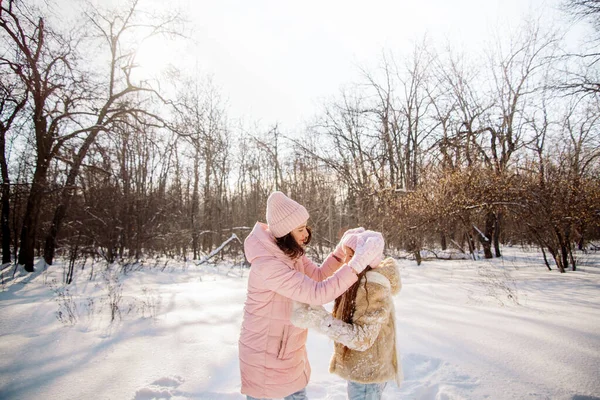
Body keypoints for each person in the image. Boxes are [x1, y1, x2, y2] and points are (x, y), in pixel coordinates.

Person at [239, 191, 383, 400]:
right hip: (266, 359)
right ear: (285, 233)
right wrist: (356, 264)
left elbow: (317, 276)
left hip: (288, 352)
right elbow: (318, 293)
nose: (306, 233)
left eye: (305, 226)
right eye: (299, 229)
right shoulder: (269, 265)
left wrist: (340, 253)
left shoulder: (290, 253)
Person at [291, 231, 403, 400]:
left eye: (351, 255)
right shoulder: (359, 280)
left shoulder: (372, 286)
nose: (346, 261)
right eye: (346, 255)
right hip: (363, 369)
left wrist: (320, 319)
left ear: (366, 258)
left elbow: (362, 338)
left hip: (367, 374)